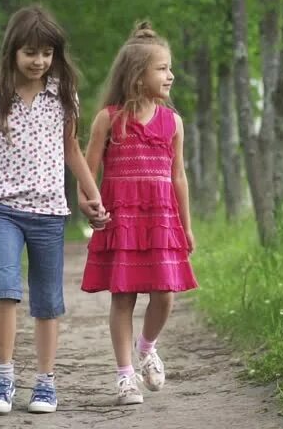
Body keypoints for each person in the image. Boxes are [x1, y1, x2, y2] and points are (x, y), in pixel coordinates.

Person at [0, 4, 108, 415]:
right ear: (12, 53)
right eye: (30, 53)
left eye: (46, 53)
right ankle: (3, 376)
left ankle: (45, 383)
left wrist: (93, 197)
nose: (39, 61)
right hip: (3, 208)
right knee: (4, 289)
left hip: (49, 212)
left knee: (47, 299)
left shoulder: (62, 96)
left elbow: (72, 150)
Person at [80, 21, 198, 405]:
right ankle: (125, 376)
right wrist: (90, 205)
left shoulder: (173, 122)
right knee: (123, 298)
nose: (171, 75)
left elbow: (178, 176)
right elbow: (88, 171)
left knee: (165, 295)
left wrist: (186, 225)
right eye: (162, 68)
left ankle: (147, 348)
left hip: (161, 220)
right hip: (122, 221)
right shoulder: (108, 119)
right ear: (137, 75)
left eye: (169, 68)